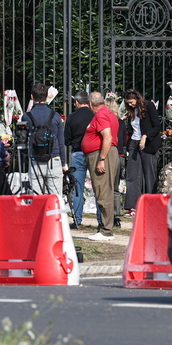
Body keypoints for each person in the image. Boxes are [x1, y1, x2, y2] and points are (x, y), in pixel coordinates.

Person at [81, 91, 119, 241]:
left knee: (103, 191)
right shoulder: (108, 113)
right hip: (104, 153)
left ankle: (106, 230)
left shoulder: (101, 115)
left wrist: (101, 158)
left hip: (102, 154)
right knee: (104, 190)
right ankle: (103, 227)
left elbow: (107, 136)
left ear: (91, 103)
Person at [122, 89, 161, 216]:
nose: (130, 105)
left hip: (148, 144)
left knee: (149, 175)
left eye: (132, 102)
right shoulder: (131, 110)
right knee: (133, 175)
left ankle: (152, 204)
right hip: (134, 143)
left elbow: (156, 126)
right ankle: (132, 206)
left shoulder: (149, 106)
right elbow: (131, 128)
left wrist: (145, 136)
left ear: (137, 99)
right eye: (128, 103)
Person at [24, 82, 66, 196]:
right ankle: (55, 214)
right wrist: (63, 162)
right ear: (47, 96)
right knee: (56, 198)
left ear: (32, 97)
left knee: (36, 198)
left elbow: (23, 139)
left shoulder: (27, 116)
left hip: (35, 159)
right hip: (54, 159)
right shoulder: (55, 116)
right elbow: (61, 141)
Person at [64, 90, 93, 229]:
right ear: (87, 101)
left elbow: (66, 139)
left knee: (77, 188)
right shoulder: (94, 115)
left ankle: (77, 218)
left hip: (77, 152)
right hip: (93, 153)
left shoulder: (72, 117)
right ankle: (101, 220)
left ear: (76, 102)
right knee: (98, 187)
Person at [105, 95, 127, 229]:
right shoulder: (121, 122)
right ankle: (117, 216)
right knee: (116, 187)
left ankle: (107, 216)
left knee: (106, 187)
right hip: (120, 154)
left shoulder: (106, 121)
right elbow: (124, 139)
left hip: (109, 154)